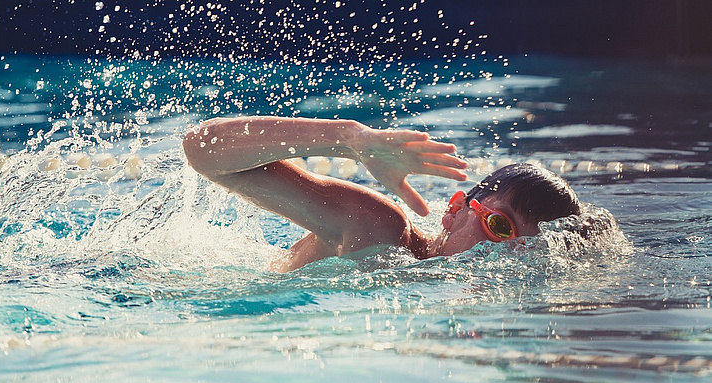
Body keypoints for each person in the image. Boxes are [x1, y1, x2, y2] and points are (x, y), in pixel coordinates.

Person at [183, 116, 580, 272]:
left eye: (525, 251)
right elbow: (202, 150)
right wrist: (349, 139)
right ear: (455, 209)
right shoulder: (379, 228)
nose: (501, 256)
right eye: (499, 226)